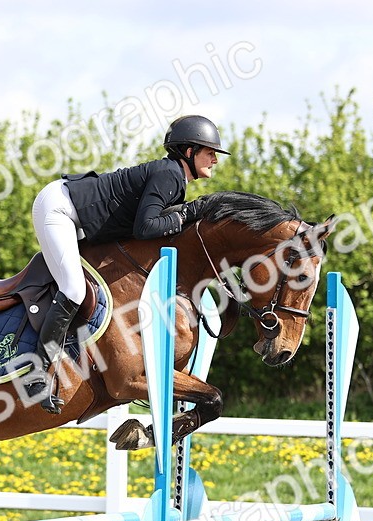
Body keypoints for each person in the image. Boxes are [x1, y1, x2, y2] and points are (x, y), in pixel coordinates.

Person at [25, 114, 229, 413]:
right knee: (74, 289)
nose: (214, 160)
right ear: (188, 151)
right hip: (60, 209)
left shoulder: (174, 176)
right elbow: (145, 228)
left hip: (78, 215)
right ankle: (36, 374)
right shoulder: (169, 174)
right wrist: (186, 215)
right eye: (209, 152)